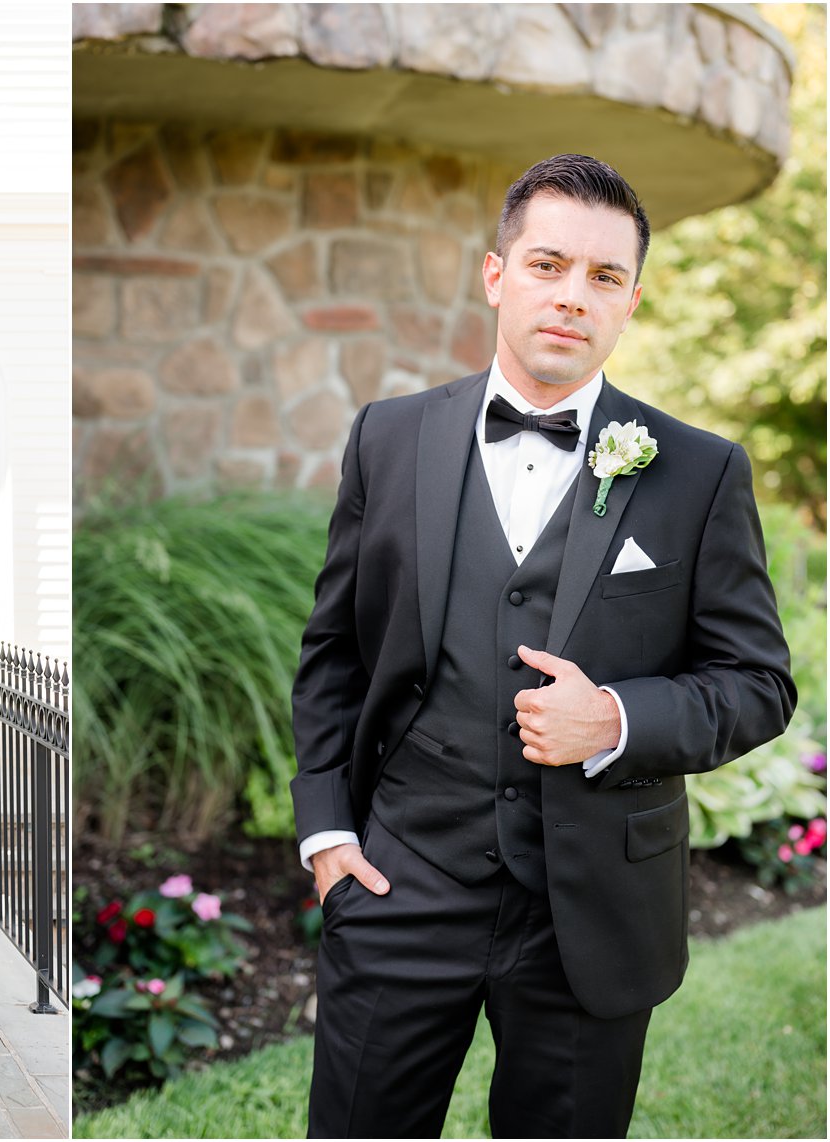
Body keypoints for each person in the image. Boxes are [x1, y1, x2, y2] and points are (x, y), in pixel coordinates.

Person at [291, 154, 795, 1138]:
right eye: (547, 264)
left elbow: (755, 682)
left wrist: (614, 716)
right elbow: (333, 654)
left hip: (592, 907)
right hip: (400, 879)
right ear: (495, 274)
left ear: (631, 301)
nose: (571, 296)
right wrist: (324, 833)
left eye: (603, 277)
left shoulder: (696, 470)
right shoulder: (386, 438)